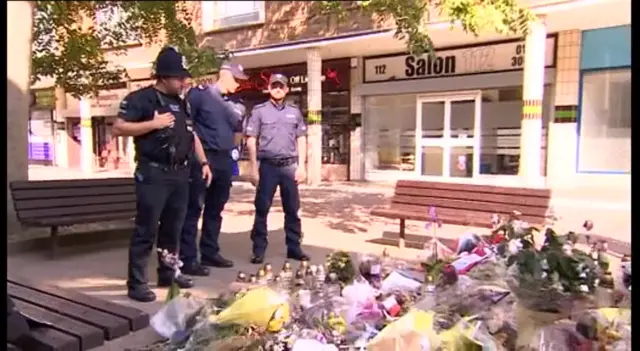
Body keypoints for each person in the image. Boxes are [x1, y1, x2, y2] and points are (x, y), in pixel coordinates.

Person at [112, 46, 213, 302]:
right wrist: (153, 124)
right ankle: (136, 283)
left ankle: (168, 272)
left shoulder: (182, 102)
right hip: (153, 173)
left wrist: (203, 162)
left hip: (180, 174)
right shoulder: (141, 99)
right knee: (146, 230)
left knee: (173, 229)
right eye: (180, 78)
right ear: (164, 77)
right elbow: (118, 127)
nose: (184, 82)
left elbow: (192, 135)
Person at [178, 62, 247, 271]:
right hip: (202, 159)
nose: (238, 84)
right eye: (236, 79)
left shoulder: (237, 105)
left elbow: (237, 132)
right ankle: (188, 259)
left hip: (225, 160)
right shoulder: (200, 95)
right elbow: (188, 127)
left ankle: (209, 252)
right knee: (194, 208)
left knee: (215, 209)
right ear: (223, 75)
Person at [245, 73, 310, 264]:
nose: (278, 89)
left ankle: (294, 248)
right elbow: (251, 139)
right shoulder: (259, 111)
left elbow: (301, 138)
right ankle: (258, 250)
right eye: (274, 85)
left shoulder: (294, 111)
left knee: (292, 209)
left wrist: (302, 166)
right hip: (267, 168)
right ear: (269, 88)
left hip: (289, 167)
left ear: (287, 89)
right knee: (262, 209)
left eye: (281, 86)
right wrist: (253, 168)